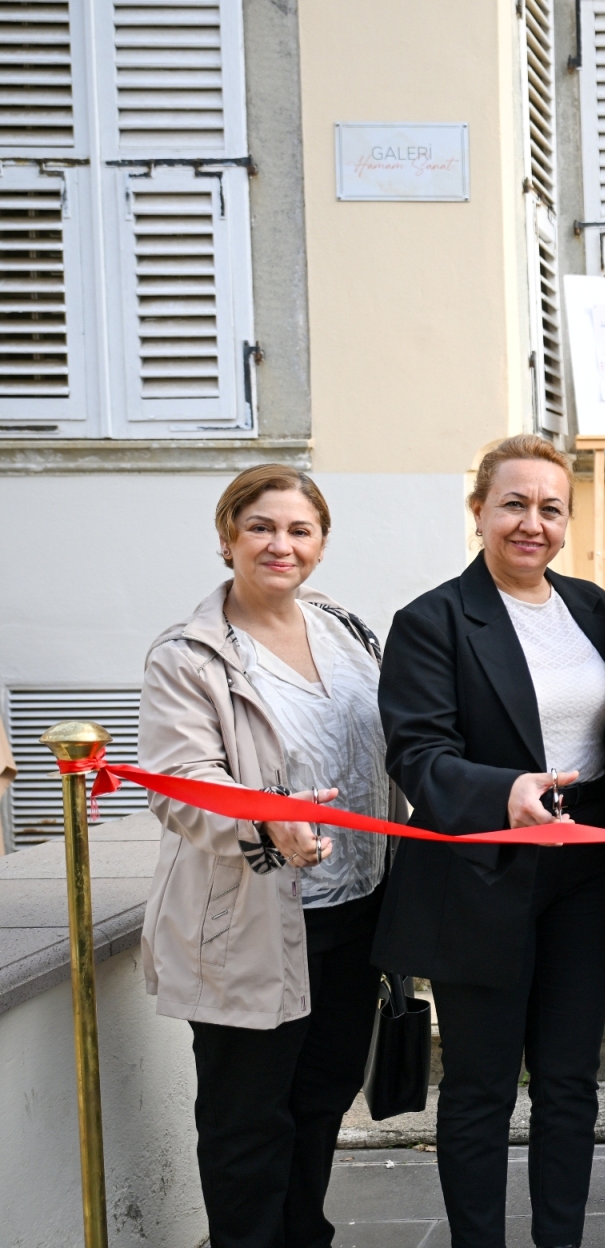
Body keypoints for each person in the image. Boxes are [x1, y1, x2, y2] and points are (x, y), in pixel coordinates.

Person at [373, 435, 605, 1248]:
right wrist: (504, 790)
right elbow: (418, 753)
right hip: (480, 872)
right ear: (479, 509)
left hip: (584, 871)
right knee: (481, 1087)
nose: (532, 522)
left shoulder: (594, 608)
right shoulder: (432, 620)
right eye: (514, 503)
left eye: (550, 508)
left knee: (569, 1081)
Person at [139, 464, 395, 1248]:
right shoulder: (188, 654)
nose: (280, 544)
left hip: (356, 912)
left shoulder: (347, 631)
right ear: (228, 539)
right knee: (246, 1122)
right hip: (252, 921)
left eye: (299, 529)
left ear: (320, 544)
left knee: (323, 1100)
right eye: (261, 527)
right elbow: (181, 783)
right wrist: (268, 820)